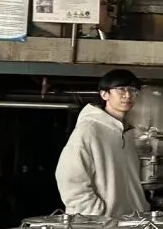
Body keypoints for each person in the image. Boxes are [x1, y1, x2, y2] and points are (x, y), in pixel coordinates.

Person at [55, 69, 148, 216]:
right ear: (104, 94)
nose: (128, 95)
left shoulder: (127, 133)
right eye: (121, 89)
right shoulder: (88, 130)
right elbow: (69, 179)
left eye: (133, 90)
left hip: (130, 222)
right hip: (101, 224)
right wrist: (96, 213)